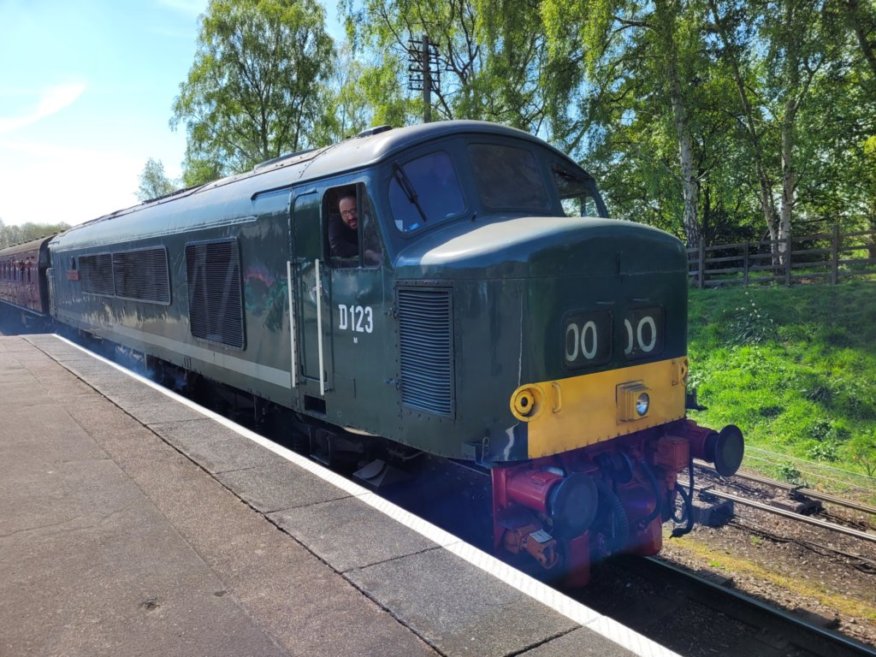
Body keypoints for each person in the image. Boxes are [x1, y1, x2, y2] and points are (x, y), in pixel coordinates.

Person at [329, 192, 381, 265]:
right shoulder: (336, 223)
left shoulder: (372, 221)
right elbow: (337, 246)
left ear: (361, 208)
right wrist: (365, 253)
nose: (351, 217)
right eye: (345, 213)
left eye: (354, 211)